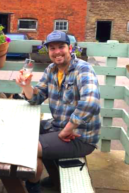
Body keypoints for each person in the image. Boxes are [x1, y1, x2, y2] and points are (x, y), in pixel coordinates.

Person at [16, 30, 101, 193]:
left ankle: (32, 184)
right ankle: (54, 178)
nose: (57, 52)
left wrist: (67, 130)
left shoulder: (83, 69)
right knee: (21, 130)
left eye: (61, 46)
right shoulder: (51, 70)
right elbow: (37, 97)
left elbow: (90, 102)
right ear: (48, 51)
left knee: (27, 147)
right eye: (52, 48)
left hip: (80, 136)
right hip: (57, 127)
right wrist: (26, 86)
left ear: (69, 48)